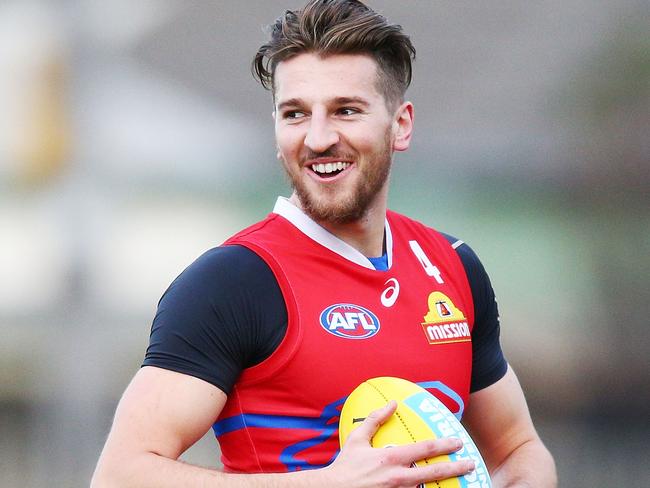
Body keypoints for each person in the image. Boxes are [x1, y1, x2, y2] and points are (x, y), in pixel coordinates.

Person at [91, 1, 557, 486]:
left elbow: (521, 450)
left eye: (346, 111)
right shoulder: (235, 281)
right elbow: (120, 475)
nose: (317, 138)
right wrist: (327, 483)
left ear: (400, 124)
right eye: (295, 114)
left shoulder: (452, 266)